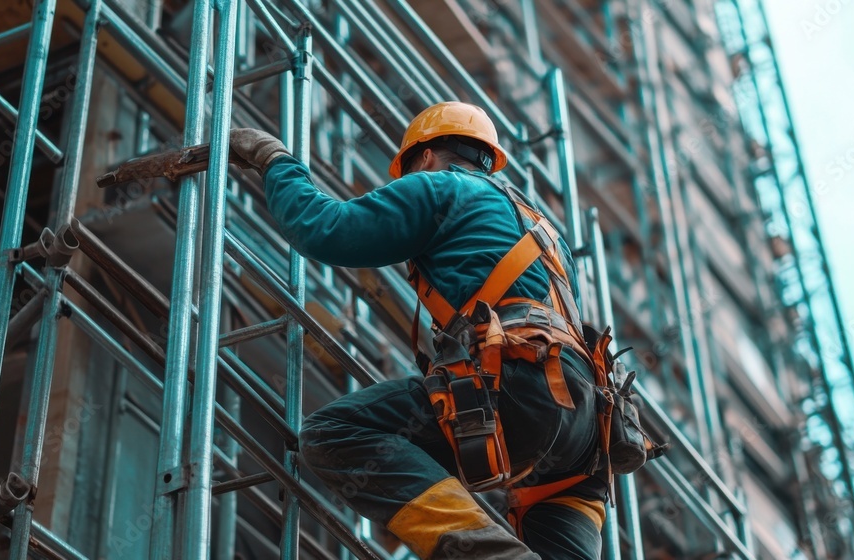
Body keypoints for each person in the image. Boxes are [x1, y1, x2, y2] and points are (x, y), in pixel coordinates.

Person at [229, 101, 608, 560]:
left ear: (425, 157)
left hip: (521, 390)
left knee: (335, 434)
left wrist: (275, 161)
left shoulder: (440, 188)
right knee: (554, 515)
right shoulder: (545, 229)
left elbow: (325, 229)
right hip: (585, 429)